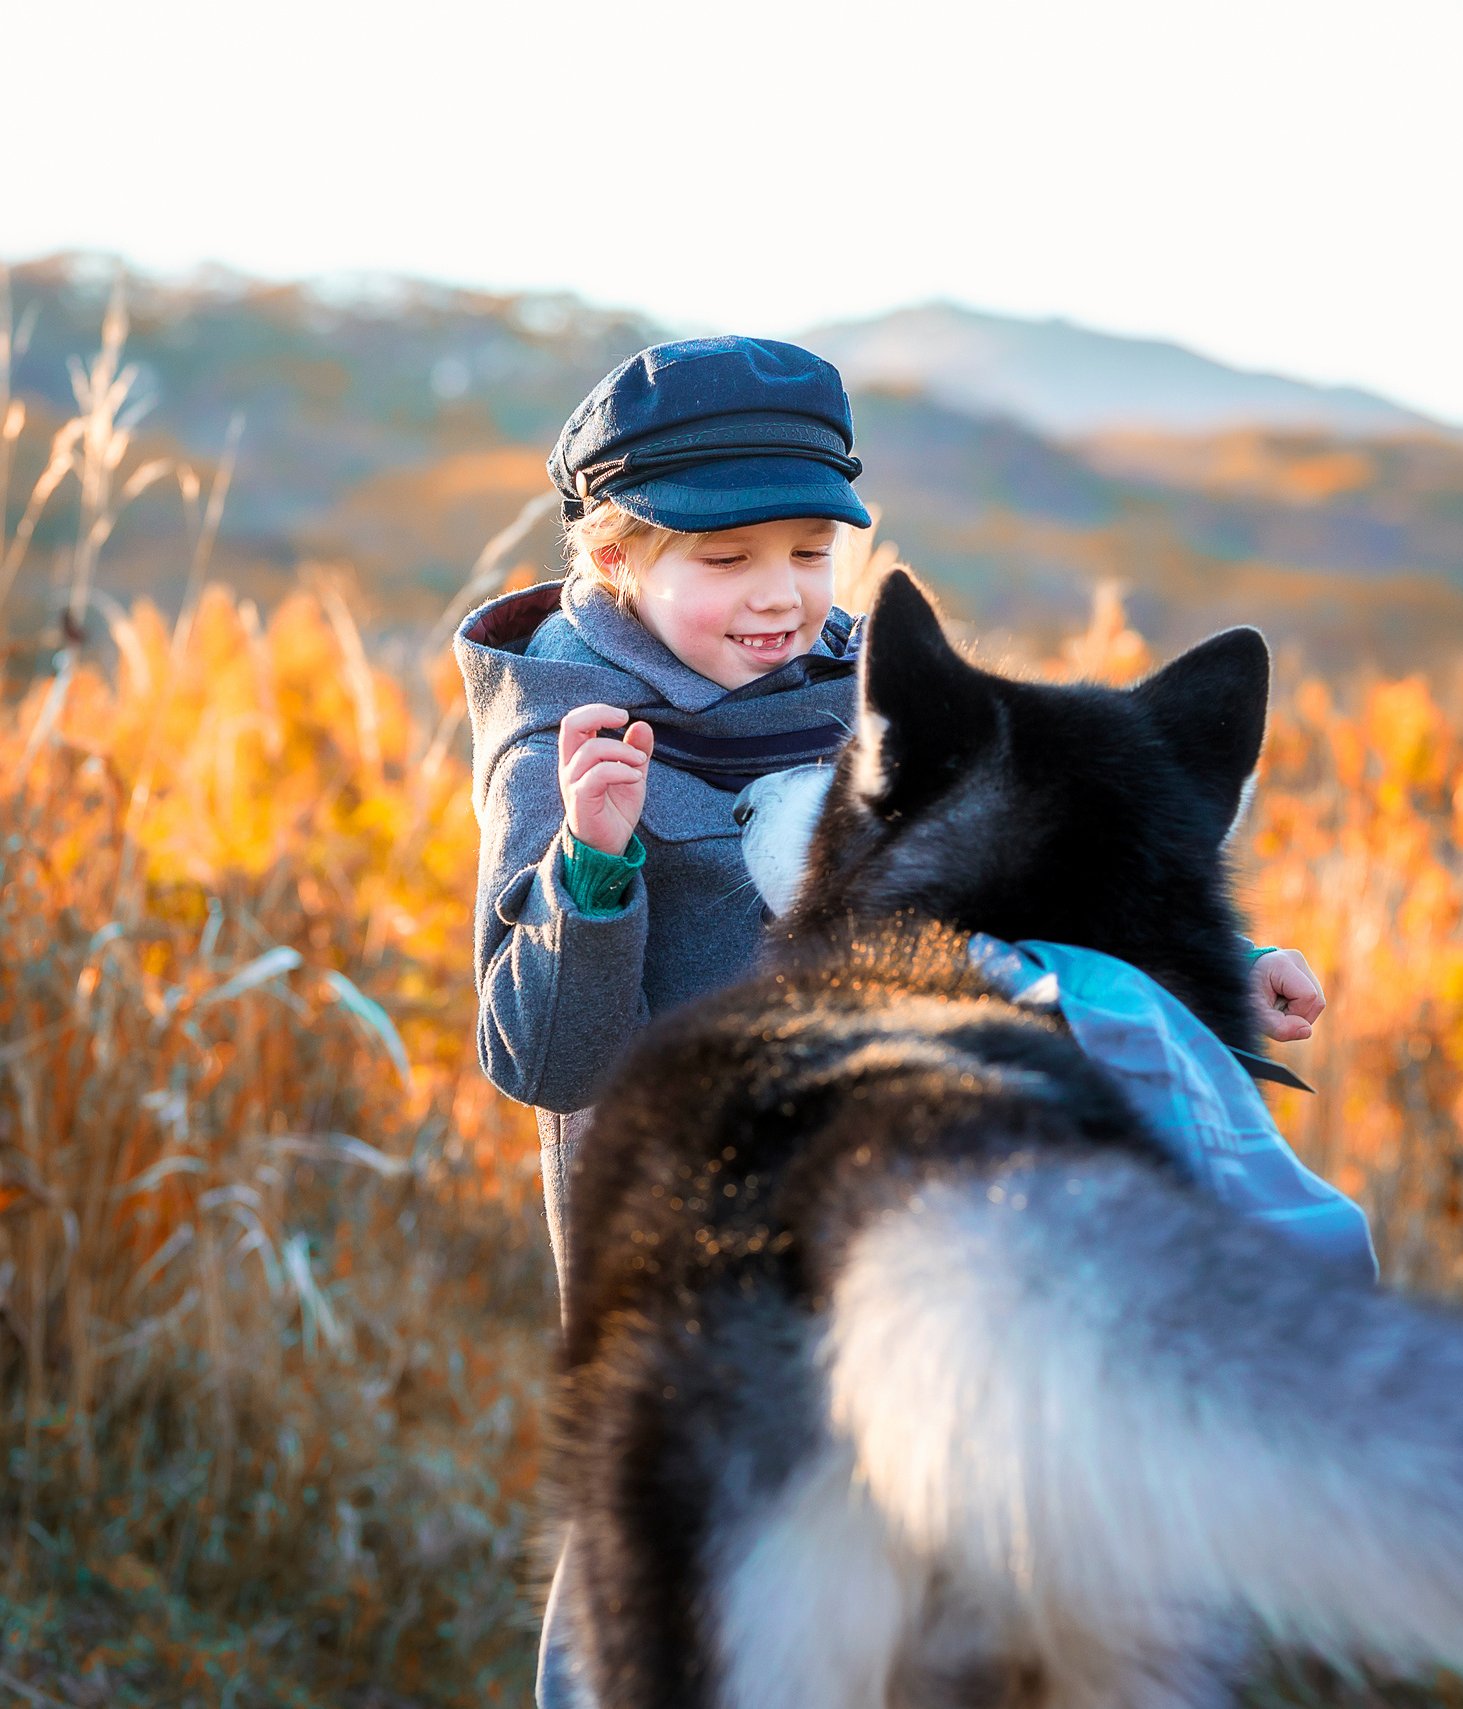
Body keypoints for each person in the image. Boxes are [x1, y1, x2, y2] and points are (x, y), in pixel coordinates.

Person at [450, 335, 1326, 1705]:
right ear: (615, 560)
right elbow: (540, 1054)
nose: (778, 597)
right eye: (725, 561)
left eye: (808, 551)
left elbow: (1036, 864)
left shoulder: (872, 693)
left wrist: (1231, 961)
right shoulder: (567, 740)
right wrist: (598, 864)